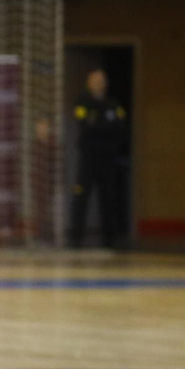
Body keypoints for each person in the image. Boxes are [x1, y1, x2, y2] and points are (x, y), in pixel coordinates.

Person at [69, 68, 129, 248]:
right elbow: (85, 127)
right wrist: (104, 127)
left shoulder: (113, 104)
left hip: (108, 159)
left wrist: (98, 126)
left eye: (101, 80)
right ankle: (76, 240)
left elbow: (120, 128)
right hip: (88, 159)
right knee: (80, 196)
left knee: (108, 199)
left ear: (106, 83)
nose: (98, 83)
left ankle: (110, 241)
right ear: (89, 83)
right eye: (94, 80)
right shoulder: (82, 103)